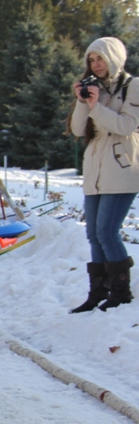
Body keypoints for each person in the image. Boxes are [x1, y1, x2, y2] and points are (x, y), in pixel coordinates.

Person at [69, 36, 139, 312]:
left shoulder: (134, 86)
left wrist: (97, 106)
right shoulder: (93, 87)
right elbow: (77, 129)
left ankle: (121, 292)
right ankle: (98, 292)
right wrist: (82, 101)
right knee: (93, 234)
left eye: (100, 58)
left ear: (114, 57)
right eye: (91, 60)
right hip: (96, 168)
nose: (96, 65)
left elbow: (126, 125)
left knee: (107, 231)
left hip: (122, 167)